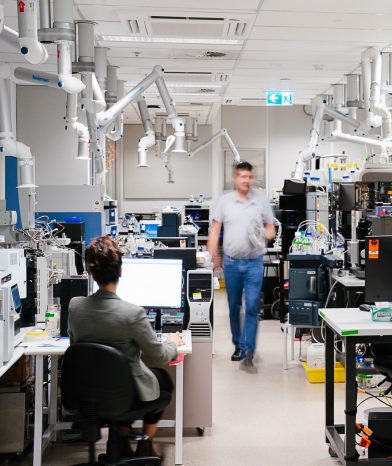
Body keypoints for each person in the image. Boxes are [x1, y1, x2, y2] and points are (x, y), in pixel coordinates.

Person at [68, 236, 184, 461]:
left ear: (91, 272)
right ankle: (145, 444)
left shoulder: (75, 306)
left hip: (87, 393)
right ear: (120, 271)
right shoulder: (132, 313)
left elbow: (75, 345)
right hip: (123, 394)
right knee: (164, 382)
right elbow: (158, 356)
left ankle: (120, 438)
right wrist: (173, 342)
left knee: (115, 381)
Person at [208, 161, 275, 373]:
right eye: (242, 177)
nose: (246, 181)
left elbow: (271, 228)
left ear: (252, 178)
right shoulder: (225, 202)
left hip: (254, 261)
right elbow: (215, 229)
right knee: (235, 306)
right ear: (236, 178)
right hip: (231, 262)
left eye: (249, 177)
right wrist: (213, 256)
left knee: (253, 305)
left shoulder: (260, 201)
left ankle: (248, 349)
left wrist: (264, 234)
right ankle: (238, 343)